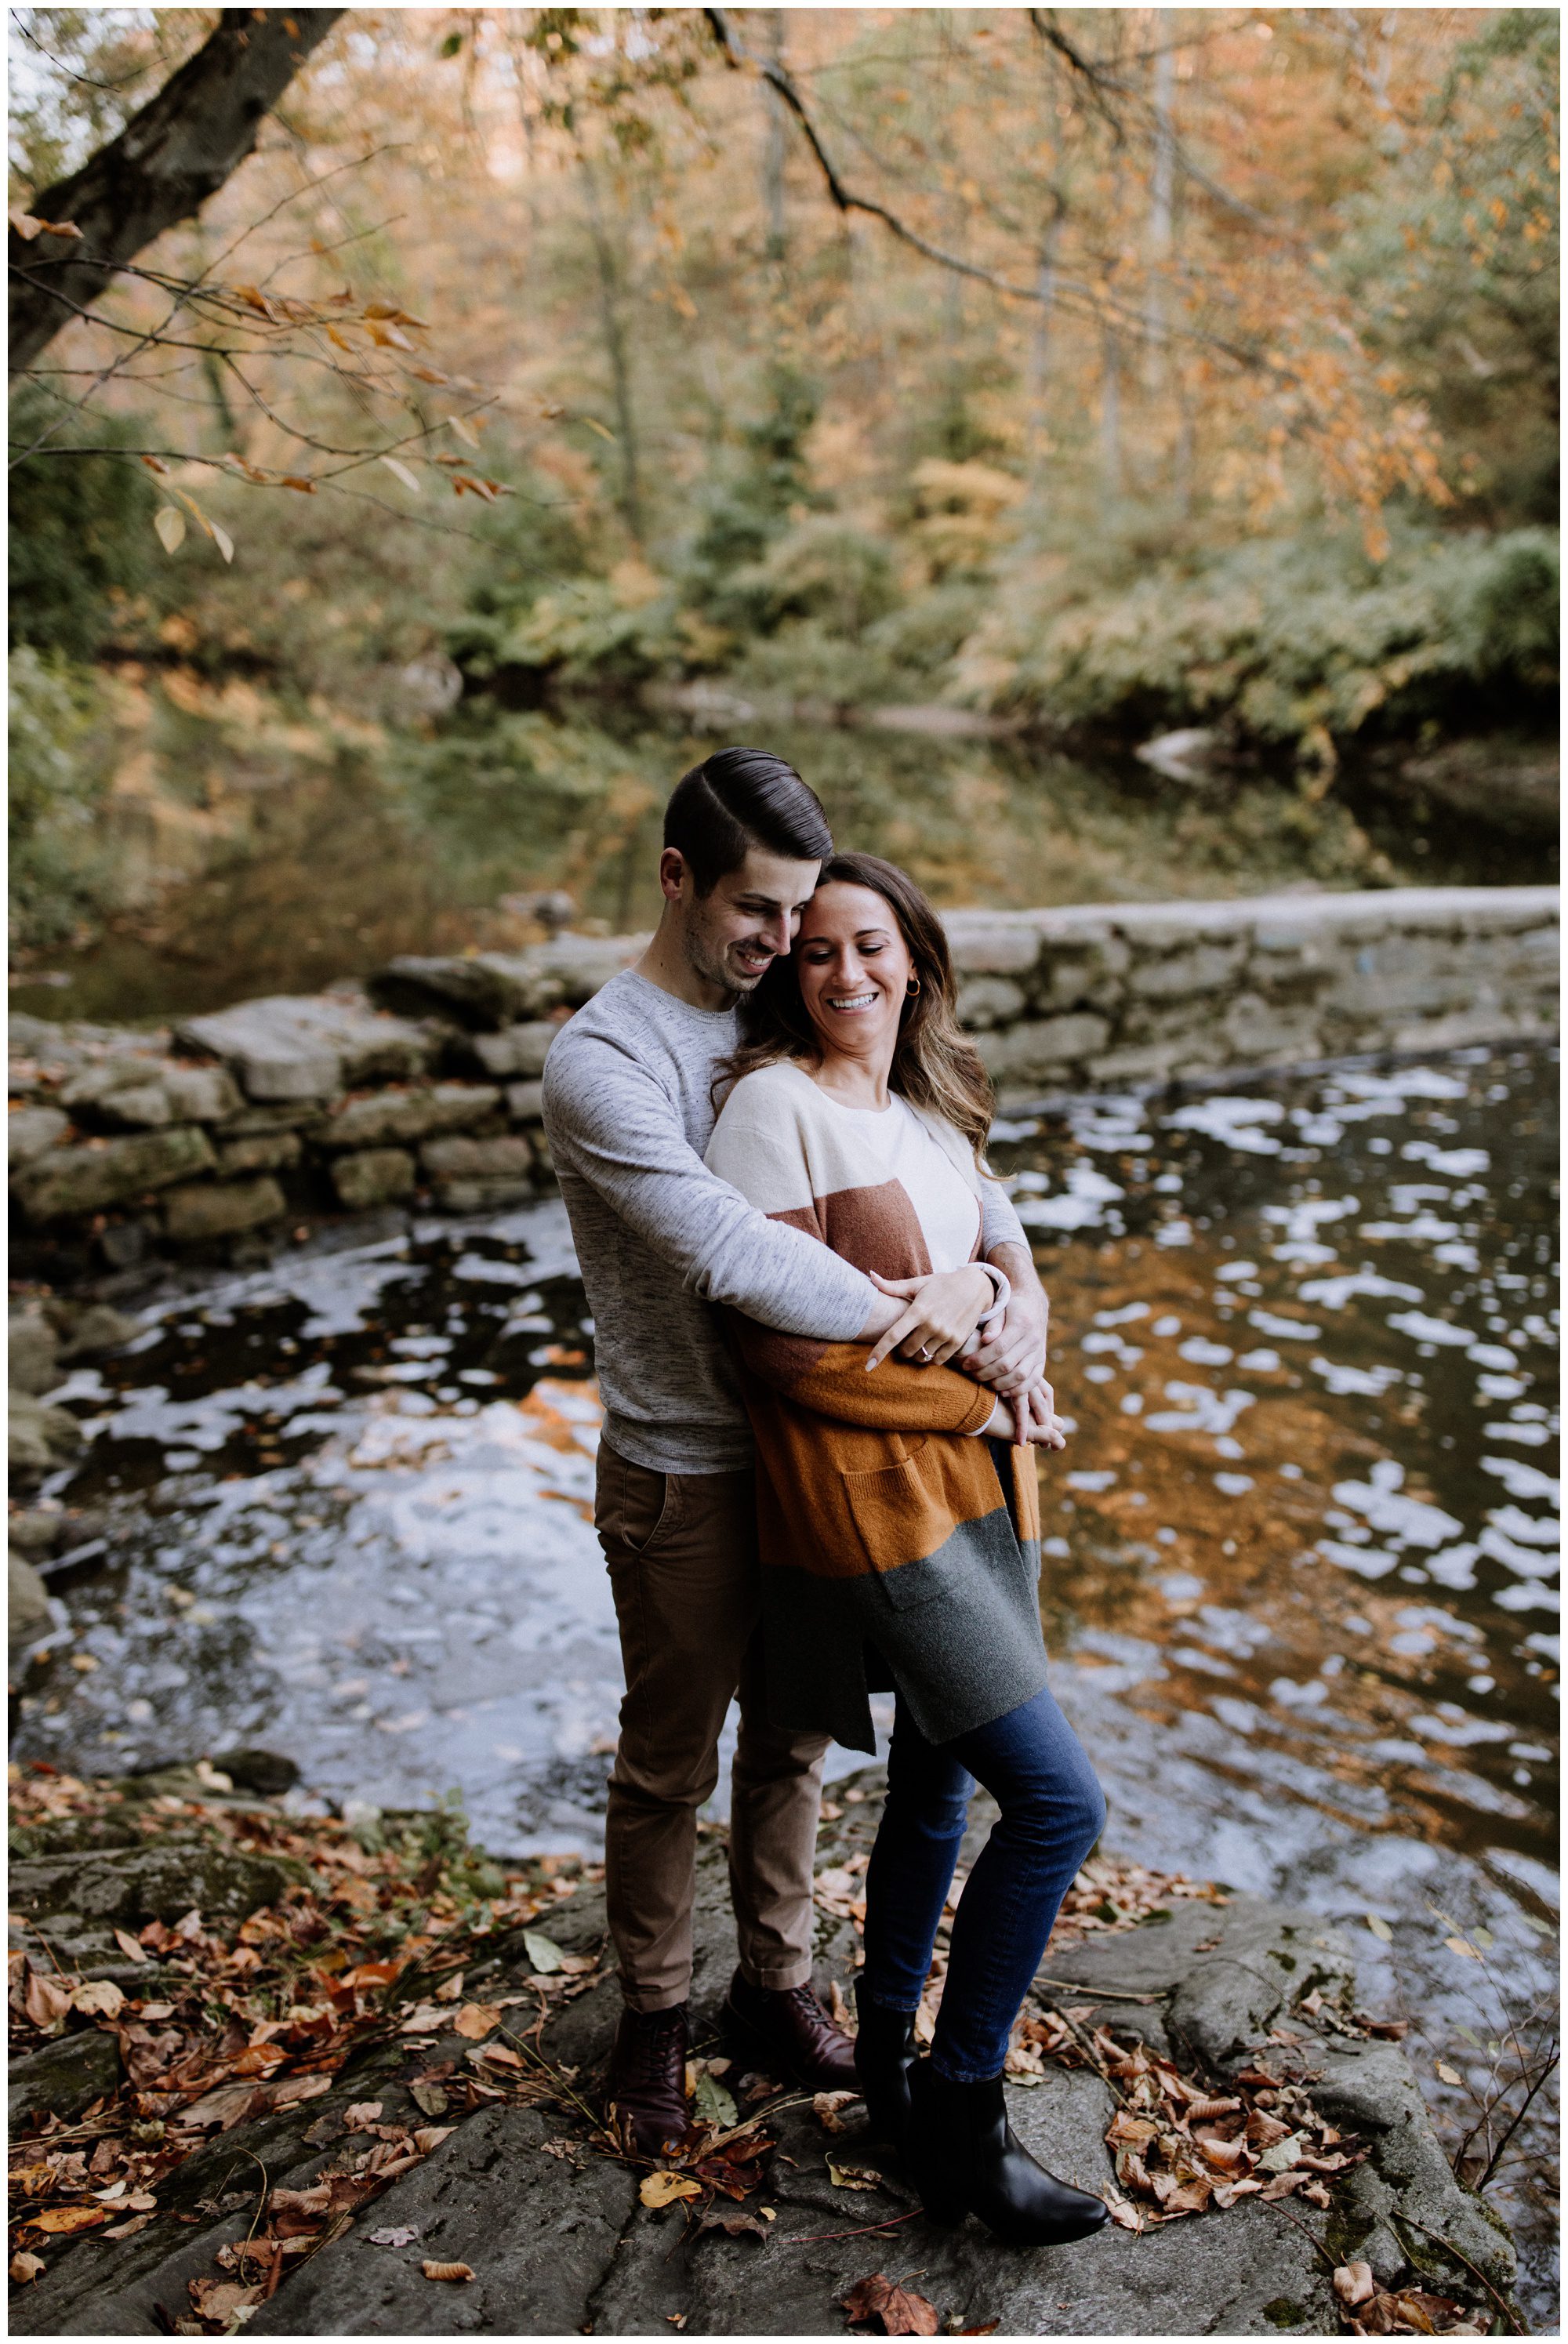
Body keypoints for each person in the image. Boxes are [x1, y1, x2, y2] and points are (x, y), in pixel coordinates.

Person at [541, 749, 1051, 2160]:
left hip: (823, 1455)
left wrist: (1005, 1285)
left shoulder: (782, 995)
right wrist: (943, 1328)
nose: (784, 940)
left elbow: (946, 1157)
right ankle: (653, 2018)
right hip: (691, 1464)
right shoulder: (605, 1061)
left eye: (798, 911)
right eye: (756, 910)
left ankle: (774, 1987)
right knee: (670, 1760)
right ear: (677, 879)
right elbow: (730, 1251)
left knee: (795, 1742)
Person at [705, 851, 1109, 2250]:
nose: (846, 971)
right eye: (816, 949)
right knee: (1057, 1805)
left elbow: (1007, 1268)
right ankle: (961, 2106)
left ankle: (885, 2060)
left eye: (871, 944)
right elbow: (784, 1352)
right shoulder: (772, 1110)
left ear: (916, 959)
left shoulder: (933, 1110)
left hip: (983, 1496)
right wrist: (987, 1397)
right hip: (878, 1504)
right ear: (788, 970)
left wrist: (998, 1288)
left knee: (938, 1790)